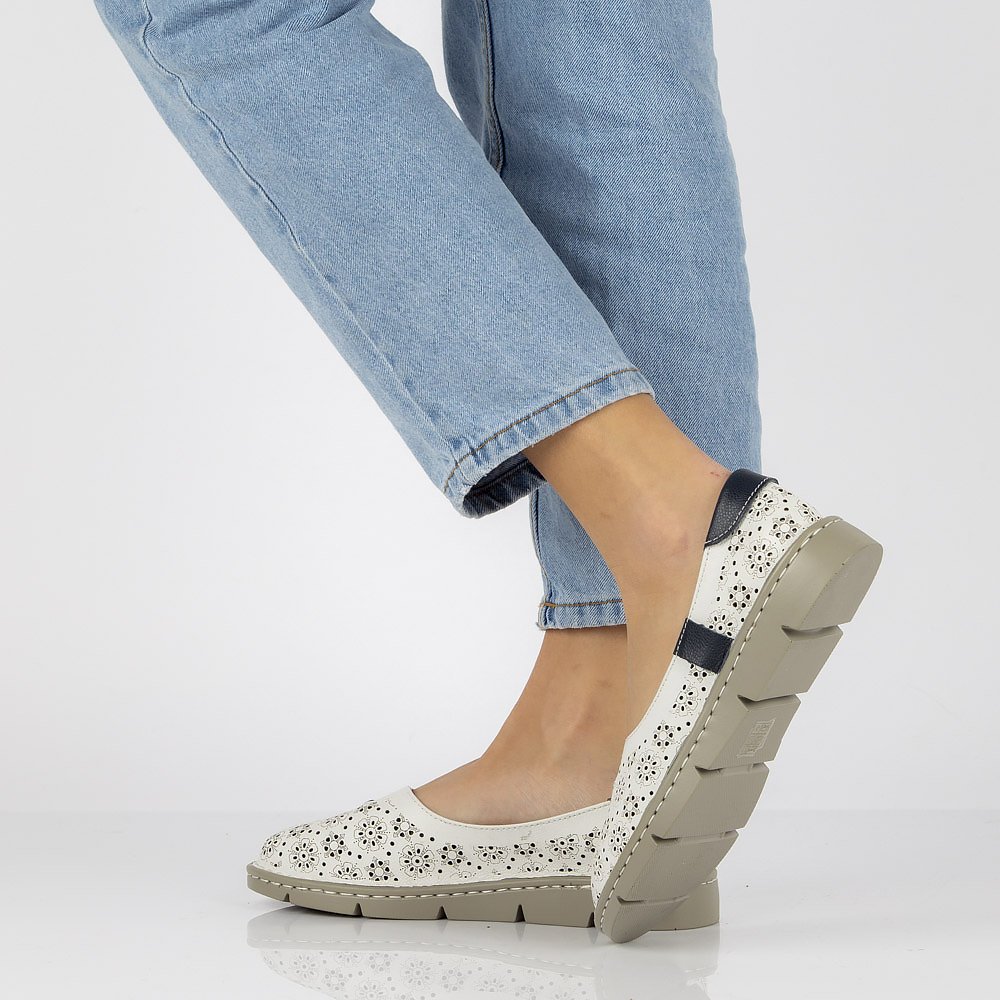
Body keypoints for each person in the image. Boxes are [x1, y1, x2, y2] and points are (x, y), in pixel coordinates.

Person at [94, 0, 881, 942]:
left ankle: (672, 526)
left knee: (218, 14)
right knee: (597, 36)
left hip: (683, 534)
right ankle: (609, 725)